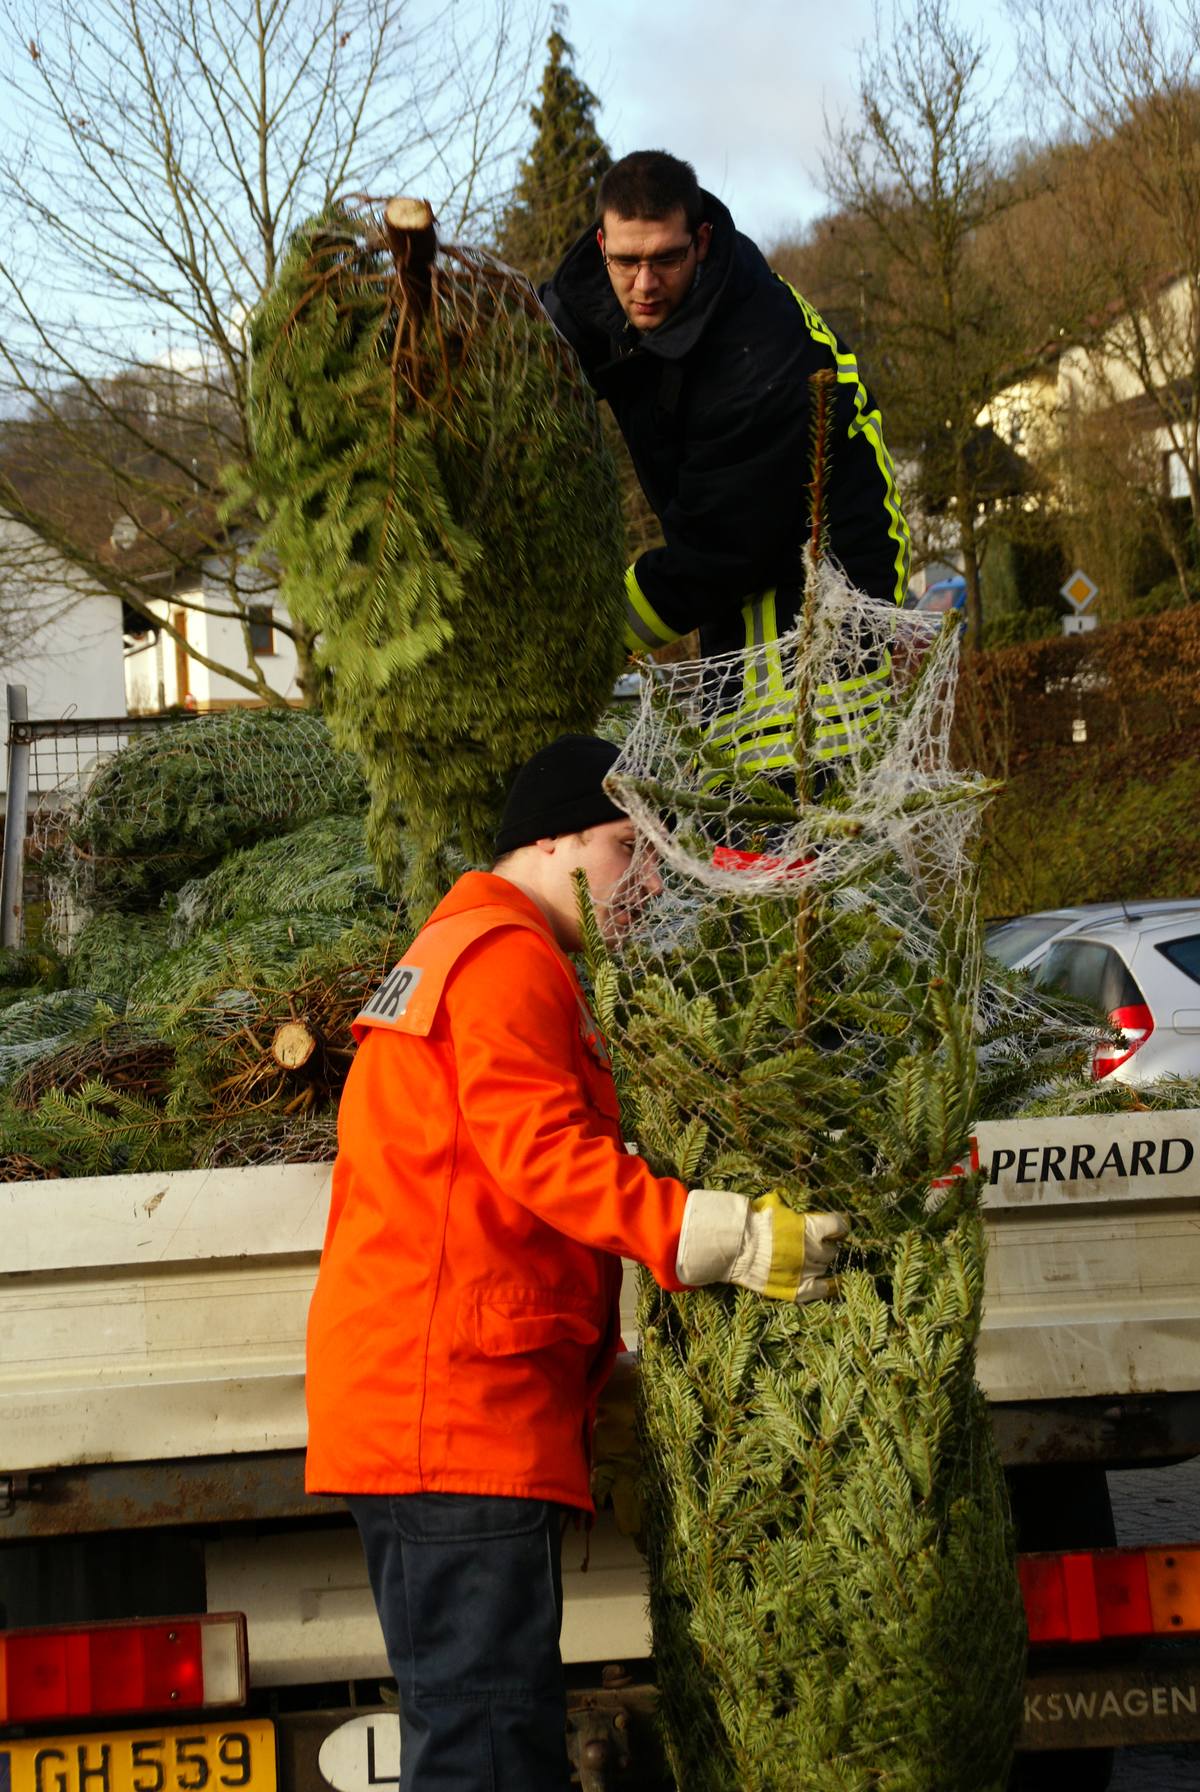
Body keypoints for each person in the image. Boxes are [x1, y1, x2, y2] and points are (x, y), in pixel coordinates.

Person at [305, 733, 846, 1791]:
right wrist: (716, 1234)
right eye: (621, 847)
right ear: (549, 841)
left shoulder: (462, 946)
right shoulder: (507, 961)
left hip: (441, 1411)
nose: (641, 878)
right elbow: (542, 1155)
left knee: (481, 1731)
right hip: (456, 1423)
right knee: (487, 1750)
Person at [540, 151, 912, 778]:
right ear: (601, 243)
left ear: (702, 241)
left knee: (786, 779)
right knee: (730, 751)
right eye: (626, 261)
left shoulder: (761, 354)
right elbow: (533, 348)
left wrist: (586, 635)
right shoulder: (594, 283)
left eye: (665, 259)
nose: (644, 284)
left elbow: (714, 558)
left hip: (827, 573)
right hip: (730, 560)